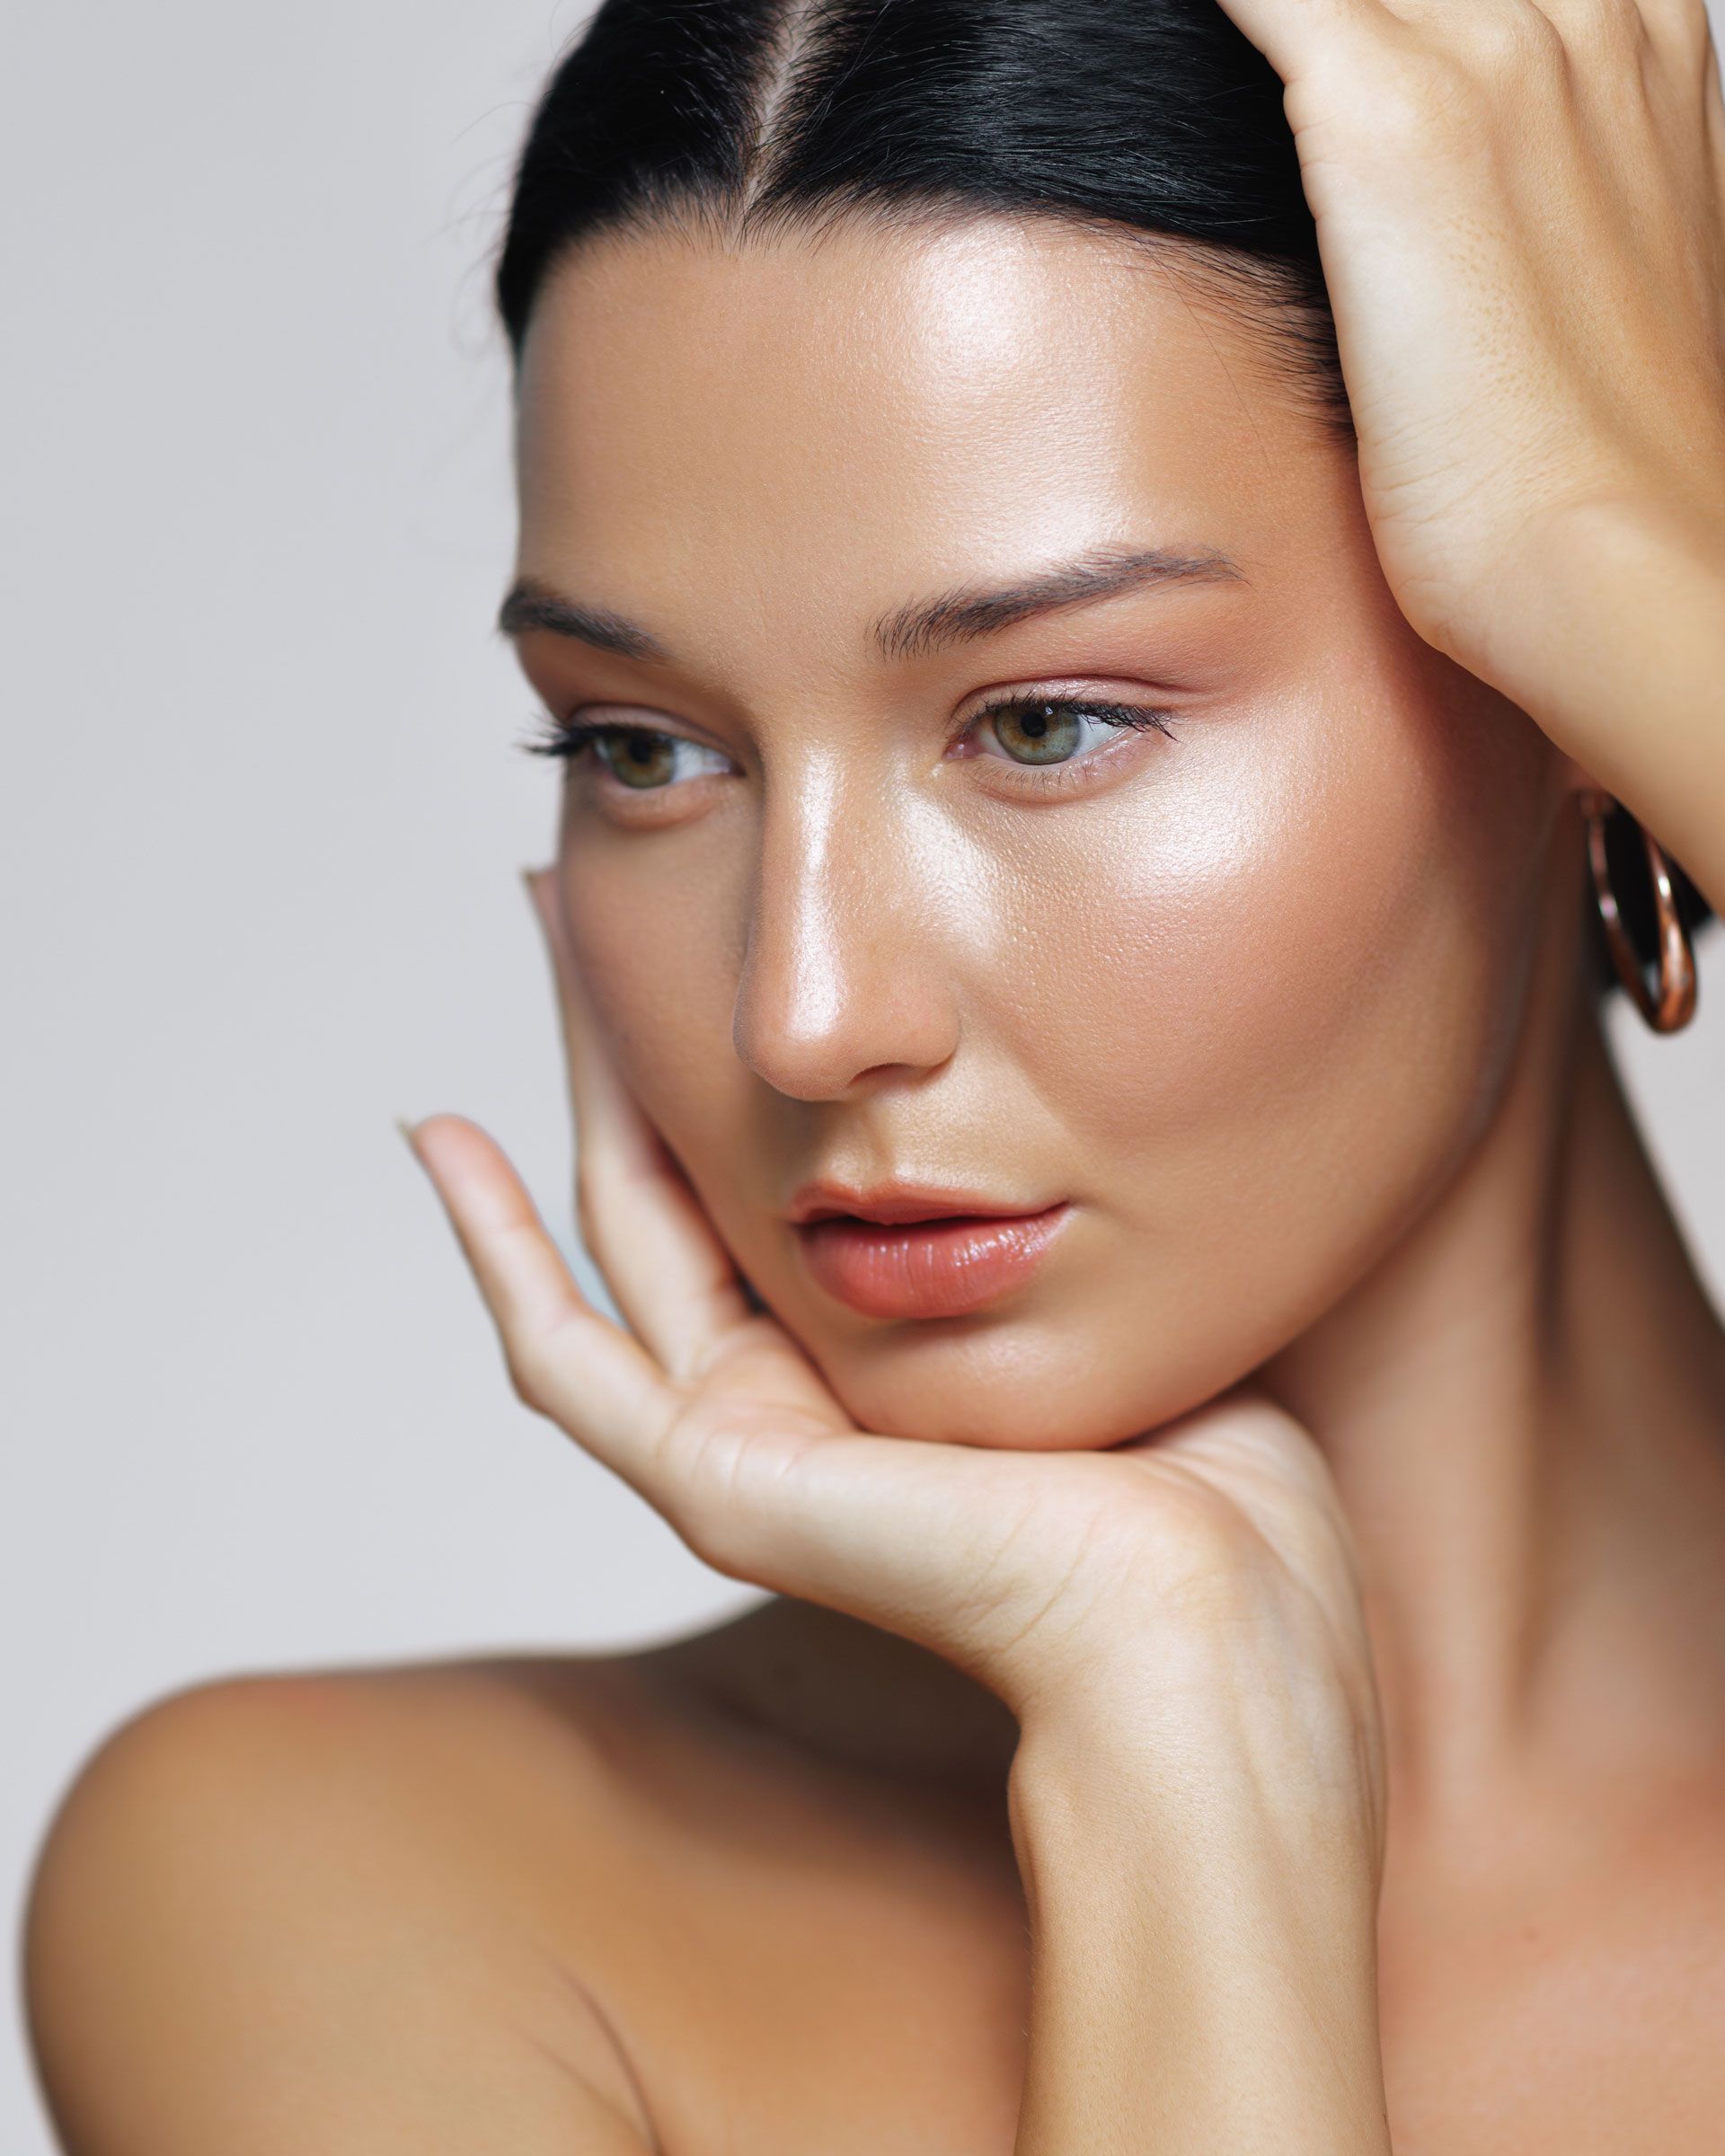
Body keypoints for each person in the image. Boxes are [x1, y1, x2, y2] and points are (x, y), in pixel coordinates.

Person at [24, 0, 1725, 2148]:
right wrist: (1179, 1756)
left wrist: (1633, 548)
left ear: (1562, 694)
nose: (803, 1015)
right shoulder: (350, 1896)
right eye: (644, 750)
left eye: (1043, 721)